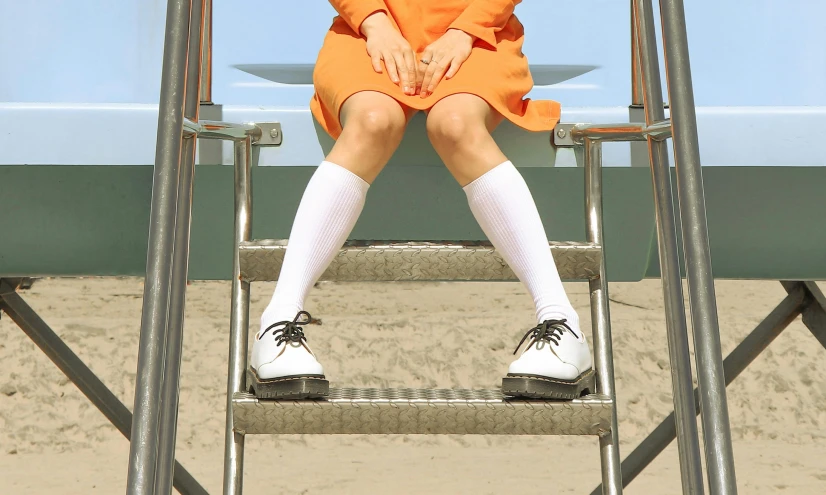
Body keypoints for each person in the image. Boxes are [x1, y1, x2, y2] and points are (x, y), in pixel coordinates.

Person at [248, 0, 594, 400]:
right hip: (366, 31)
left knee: (456, 124)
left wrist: (465, 31)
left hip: (480, 35)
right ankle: (278, 322)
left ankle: (561, 321)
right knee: (373, 121)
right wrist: (376, 25)